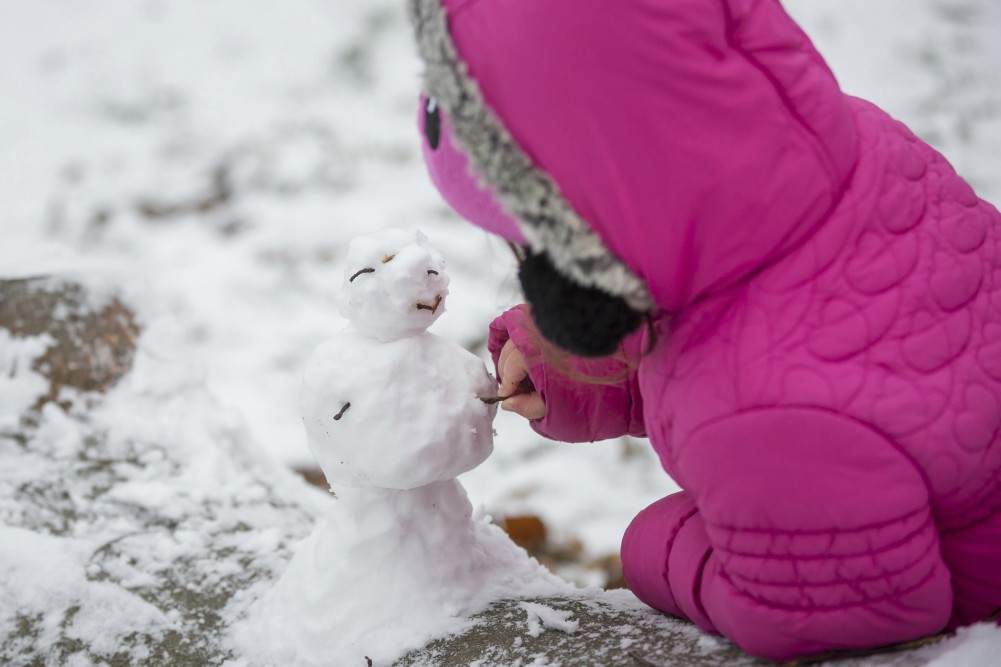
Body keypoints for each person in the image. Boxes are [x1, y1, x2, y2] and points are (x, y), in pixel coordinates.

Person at [408, 0, 1001, 660]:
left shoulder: (762, 421)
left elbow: (839, 613)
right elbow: (772, 325)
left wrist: (659, 545)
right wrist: (575, 364)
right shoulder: (850, 150)